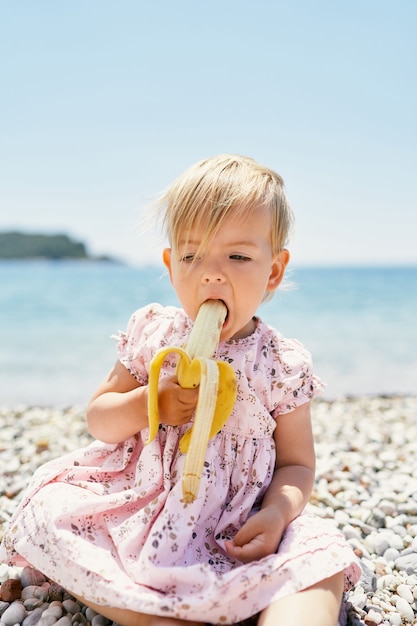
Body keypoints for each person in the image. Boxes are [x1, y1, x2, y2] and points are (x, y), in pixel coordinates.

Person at [0, 154, 361, 626]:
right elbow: (100, 417)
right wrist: (148, 402)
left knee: (320, 560)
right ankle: (159, 614)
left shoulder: (281, 364)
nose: (211, 273)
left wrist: (275, 515)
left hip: (238, 522)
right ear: (171, 265)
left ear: (273, 271)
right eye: (192, 255)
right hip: (141, 507)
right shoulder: (154, 333)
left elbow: (297, 463)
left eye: (237, 256)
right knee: (50, 509)